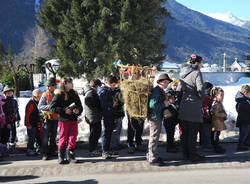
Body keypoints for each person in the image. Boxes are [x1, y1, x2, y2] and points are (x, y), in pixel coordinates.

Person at [176, 54, 204, 162]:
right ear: (197, 63)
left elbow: (178, 90)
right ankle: (193, 155)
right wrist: (200, 98)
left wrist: (181, 101)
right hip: (194, 107)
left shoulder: (182, 73)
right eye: (201, 62)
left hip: (184, 106)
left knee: (185, 133)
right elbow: (200, 88)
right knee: (193, 133)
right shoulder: (197, 73)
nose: (201, 65)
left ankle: (185, 154)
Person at [50, 77, 83, 164]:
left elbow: (80, 106)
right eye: (70, 82)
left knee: (73, 137)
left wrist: (78, 110)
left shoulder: (74, 94)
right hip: (64, 120)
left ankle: (70, 156)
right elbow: (52, 108)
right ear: (65, 84)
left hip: (73, 119)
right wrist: (64, 110)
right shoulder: (59, 94)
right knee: (63, 138)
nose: (72, 84)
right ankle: (61, 157)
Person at [147, 73, 172, 166]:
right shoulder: (157, 91)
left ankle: (152, 155)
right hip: (155, 117)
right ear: (159, 82)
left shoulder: (160, 90)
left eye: (167, 82)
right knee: (154, 137)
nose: (166, 84)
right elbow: (152, 104)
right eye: (165, 82)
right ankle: (152, 158)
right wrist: (164, 105)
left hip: (156, 116)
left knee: (154, 137)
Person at [98, 75, 119, 159]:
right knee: (106, 133)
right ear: (108, 83)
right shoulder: (103, 91)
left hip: (111, 113)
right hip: (107, 114)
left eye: (115, 85)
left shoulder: (110, 90)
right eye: (113, 85)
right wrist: (112, 104)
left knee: (109, 132)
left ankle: (107, 149)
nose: (114, 87)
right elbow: (103, 104)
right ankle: (104, 151)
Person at [38, 77, 58, 160]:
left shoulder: (57, 94)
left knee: (53, 137)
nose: (54, 87)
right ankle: (44, 154)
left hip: (55, 118)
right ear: (49, 86)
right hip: (47, 119)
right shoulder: (44, 95)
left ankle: (52, 151)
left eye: (55, 85)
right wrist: (50, 106)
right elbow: (40, 106)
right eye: (53, 85)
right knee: (45, 137)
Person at [83, 79, 102, 157]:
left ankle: (94, 148)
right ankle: (93, 150)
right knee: (94, 133)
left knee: (95, 133)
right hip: (93, 116)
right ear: (97, 86)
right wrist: (98, 106)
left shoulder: (90, 92)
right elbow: (89, 101)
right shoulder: (91, 93)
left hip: (92, 116)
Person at [1, 85, 20, 154]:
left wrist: (18, 119)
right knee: (6, 135)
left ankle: (12, 148)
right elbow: (5, 113)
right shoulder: (4, 102)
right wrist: (7, 122)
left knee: (13, 134)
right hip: (7, 121)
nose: (10, 93)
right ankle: (4, 150)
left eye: (11, 92)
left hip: (13, 120)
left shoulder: (14, 101)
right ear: (5, 93)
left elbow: (16, 110)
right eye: (8, 92)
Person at [24, 89, 42, 156]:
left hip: (35, 123)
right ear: (34, 97)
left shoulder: (37, 103)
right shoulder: (31, 104)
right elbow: (27, 115)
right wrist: (27, 124)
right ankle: (29, 150)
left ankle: (38, 148)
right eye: (39, 97)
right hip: (30, 124)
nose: (40, 98)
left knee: (37, 136)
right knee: (31, 138)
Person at [210, 87, 227, 153]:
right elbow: (216, 113)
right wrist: (224, 114)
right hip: (216, 122)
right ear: (216, 95)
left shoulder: (218, 102)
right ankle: (215, 146)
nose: (222, 97)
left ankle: (216, 145)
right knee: (216, 134)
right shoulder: (216, 103)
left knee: (216, 134)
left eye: (223, 95)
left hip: (218, 121)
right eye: (221, 95)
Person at [235, 85, 250, 151]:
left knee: (246, 133)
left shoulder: (246, 99)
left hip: (247, 120)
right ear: (245, 93)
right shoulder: (242, 101)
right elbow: (241, 109)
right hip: (244, 121)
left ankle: (246, 144)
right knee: (243, 134)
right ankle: (240, 146)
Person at [201, 81, 213, 151]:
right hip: (206, 117)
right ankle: (206, 146)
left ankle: (204, 145)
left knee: (204, 132)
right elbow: (206, 108)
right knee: (206, 132)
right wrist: (208, 116)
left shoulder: (202, 96)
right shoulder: (207, 97)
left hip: (203, 117)